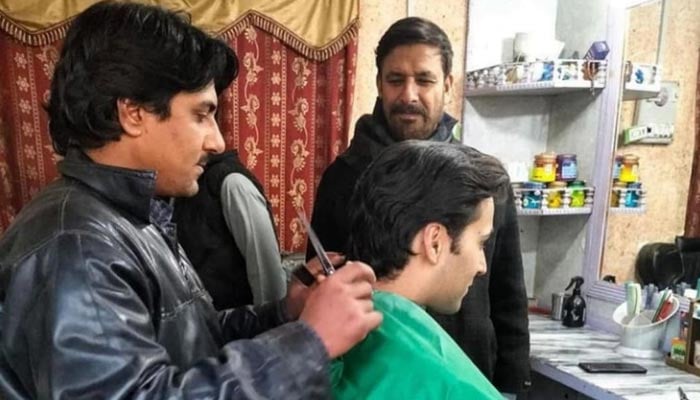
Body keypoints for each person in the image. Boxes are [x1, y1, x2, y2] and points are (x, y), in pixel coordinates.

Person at [0, 2, 381, 398]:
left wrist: (285, 313)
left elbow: (189, 338)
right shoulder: (78, 245)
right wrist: (308, 344)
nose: (216, 141)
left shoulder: (130, 217)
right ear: (133, 113)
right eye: (201, 115)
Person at [309, 16, 531, 396]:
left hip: (467, 369)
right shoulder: (344, 177)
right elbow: (325, 282)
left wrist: (513, 382)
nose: (409, 95)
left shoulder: (483, 185)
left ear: (447, 84)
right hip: (378, 373)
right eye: (396, 80)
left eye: (424, 80)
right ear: (379, 84)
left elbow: (507, 292)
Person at [331, 140, 509, 399]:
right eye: (481, 242)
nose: (482, 266)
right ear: (434, 241)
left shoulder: (318, 338)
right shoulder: (454, 386)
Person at [174, 150, 287, 309]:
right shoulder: (176, 185)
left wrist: (271, 323)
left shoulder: (233, 184)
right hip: (200, 321)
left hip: (239, 324)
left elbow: (266, 275)